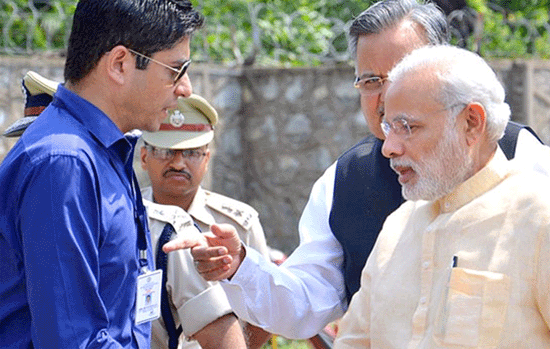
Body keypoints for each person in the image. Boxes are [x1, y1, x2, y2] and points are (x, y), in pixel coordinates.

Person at [163, 0, 549, 340]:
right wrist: (242, 267)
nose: (385, 97)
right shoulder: (351, 186)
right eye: (370, 81)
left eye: (400, 74)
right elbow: (308, 299)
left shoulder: (527, 171)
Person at [0, 0, 203, 347]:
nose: (185, 89)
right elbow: (73, 339)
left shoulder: (102, 152)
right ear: (120, 64)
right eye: (175, 71)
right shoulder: (64, 162)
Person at [334, 44, 550, 348]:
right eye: (388, 127)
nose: (388, 147)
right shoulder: (397, 227)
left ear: (471, 122)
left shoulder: (539, 217)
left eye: (407, 127)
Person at [139, 94, 270, 348]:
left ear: (207, 159)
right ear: (144, 157)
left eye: (190, 152)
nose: (178, 163)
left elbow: (265, 309)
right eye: (166, 151)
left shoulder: (238, 224)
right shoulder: (127, 218)